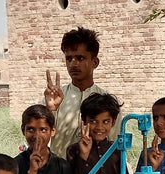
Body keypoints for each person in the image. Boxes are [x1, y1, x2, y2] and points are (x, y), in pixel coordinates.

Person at [43, 27, 118, 156]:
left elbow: (115, 143)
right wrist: (51, 110)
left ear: (94, 62)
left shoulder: (107, 102)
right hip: (62, 172)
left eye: (80, 58)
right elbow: (42, 137)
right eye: (69, 58)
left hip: (96, 173)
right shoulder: (54, 98)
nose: (73, 64)